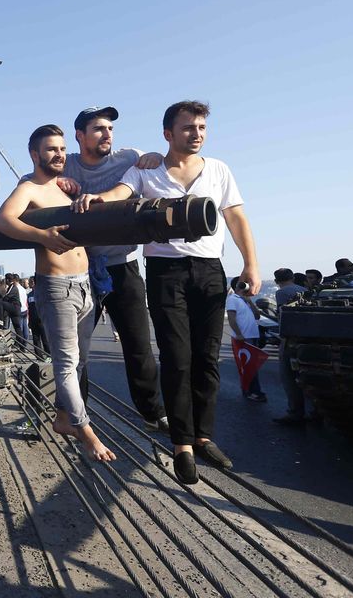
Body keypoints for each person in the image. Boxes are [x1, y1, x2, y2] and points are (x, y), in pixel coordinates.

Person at [75, 100, 259, 484]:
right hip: (165, 270)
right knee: (176, 357)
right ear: (168, 134)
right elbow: (121, 191)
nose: (196, 134)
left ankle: (203, 435)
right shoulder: (148, 170)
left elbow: (236, 217)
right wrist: (98, 200)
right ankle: (182, 445)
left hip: (210, 270)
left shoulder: (219, 170)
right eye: (188, 127)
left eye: (202, 128)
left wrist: (251, 265)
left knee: (207, 359)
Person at [0, 124, 115, 461]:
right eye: (51, 149)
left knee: (80, 363)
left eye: (62, 149)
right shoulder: (29, 187)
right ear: (35, 155)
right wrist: (42, 237)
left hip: (83, 284)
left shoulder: (65, 190)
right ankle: (86, 431)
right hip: (57, 286)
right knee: (65, 364)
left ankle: (64, 419)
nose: (59, 155)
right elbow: (3, 221)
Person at [59, 106, 168, 432]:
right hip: (80, 270)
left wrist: (154, 155)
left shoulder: (129, 158)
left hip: (124, 266)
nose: (107, 134)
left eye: (109, 128)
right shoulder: (65, 164)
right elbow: (30, 184)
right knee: (76, 352)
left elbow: (161, 166)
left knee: (138, 346)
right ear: (79, 136)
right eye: (98, 129)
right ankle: (77, 417)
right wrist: (56, 182)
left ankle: (153, 412)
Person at [272, 268, 308, 426]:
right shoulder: (304, 290)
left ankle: (295, 412)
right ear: (292, 277)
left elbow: (282, 316)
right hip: (307, 337)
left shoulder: (282, 293)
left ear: (276, 281)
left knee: (288, 376)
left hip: (290, 337)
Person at [226, 278, 266, 402]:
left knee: (252, 365)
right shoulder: (233, 299)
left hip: (252, 335)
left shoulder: (244, 300)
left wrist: (250, 302)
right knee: (249, 366)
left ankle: (251, 390)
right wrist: (238, 334)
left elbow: (257, 315)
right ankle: (252, 391)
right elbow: (231, 318)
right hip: (243, 337)